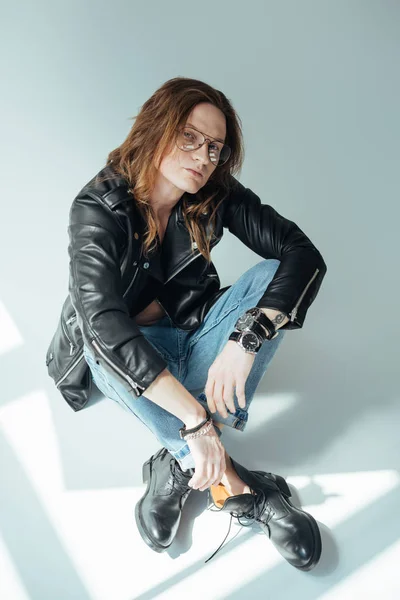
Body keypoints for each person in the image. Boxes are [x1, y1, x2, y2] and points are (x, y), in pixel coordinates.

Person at [46, 77, 327, 570]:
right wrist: (198, 424)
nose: (203, 156)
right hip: (130, 359)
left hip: (192, 331)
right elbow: (104, 322)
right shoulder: (96, 208)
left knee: (268, 277)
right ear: (158, 128)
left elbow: (302, 255)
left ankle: (174, 466)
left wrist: (246, 338)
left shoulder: (215, 192)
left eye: (215, 147)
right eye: (190, 137)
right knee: (100, 339)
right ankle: (240, 491)